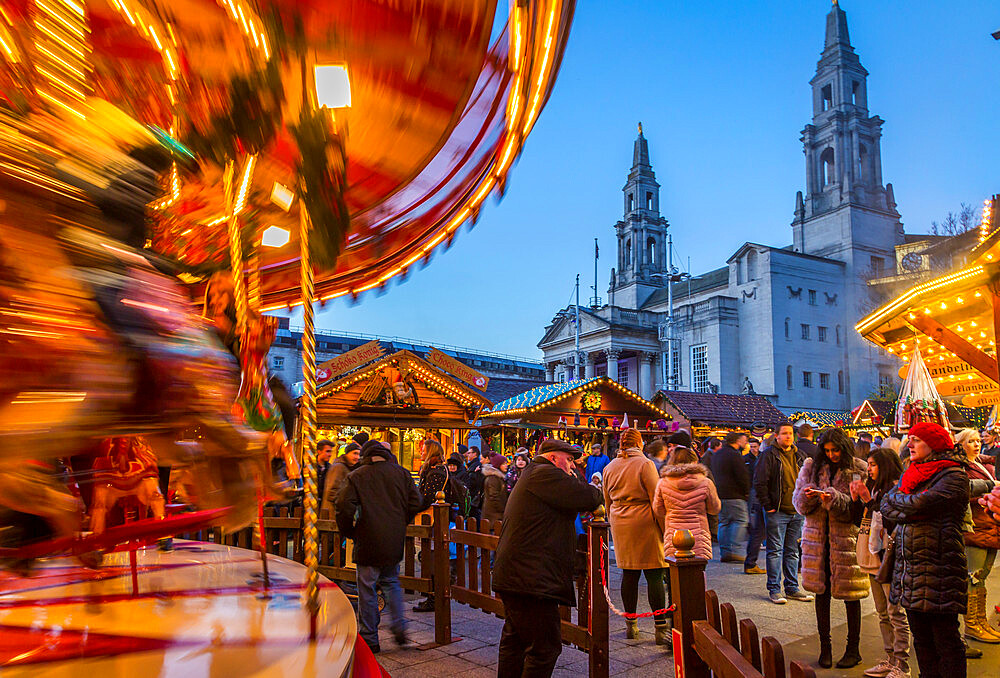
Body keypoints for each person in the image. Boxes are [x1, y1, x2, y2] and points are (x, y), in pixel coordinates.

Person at [492, 439, 602, 678]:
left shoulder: (535, 473)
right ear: (554, 458)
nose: (572, 466)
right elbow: (589, 497)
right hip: (531, 579)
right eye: (570, 460)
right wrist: (591, 484)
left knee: (516, 641)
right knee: (545, 647)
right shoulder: (545, 474)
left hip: (521, 574)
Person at [880, 422, 970, 678]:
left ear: (934, 444)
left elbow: (920, 502)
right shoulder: (911, 472)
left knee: (946, 640)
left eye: (916, 439)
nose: (910, 444)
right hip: (910, 571)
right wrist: (906, 507)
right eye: (910, 439)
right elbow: (886, 506)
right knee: (922, 640)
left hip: (940, 568)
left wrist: (901, 504)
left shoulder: (953, 475)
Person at [335, 439, 423, 653]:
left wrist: (349, 531)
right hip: (393, 539)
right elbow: (416, 502)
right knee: (391, 581)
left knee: (367, 587)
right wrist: (401, 520)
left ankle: (370, 637)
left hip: (367, 538)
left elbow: (343, 505)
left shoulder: (357, 476)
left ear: (366, 456)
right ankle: (399, 627)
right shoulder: (401, 473)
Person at [792, 428, 869, 669]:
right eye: (827, 451)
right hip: (817, 540)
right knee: (821, 593)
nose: (832, 454)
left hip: (845, 540)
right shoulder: (811, 466)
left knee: (851, 597)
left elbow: (859, 508)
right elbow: (798, 503)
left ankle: (853, 649)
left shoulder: (858, 469)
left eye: (836, 450)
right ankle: (825, 648)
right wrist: (809, 497)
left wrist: (834, 499)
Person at [602, 428, 668, 644]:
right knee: (654, 574)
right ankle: (660, 627)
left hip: (620, 520)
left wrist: (613, 522)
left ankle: (631, 625)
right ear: (639, 443)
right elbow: (656, 499)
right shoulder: (645, 464)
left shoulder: (610, 466)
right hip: (644, 520)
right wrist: (664, 527)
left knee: (628, 573)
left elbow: (606, 500)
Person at [851, 447, 909, 678]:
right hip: (874, 555)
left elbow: (890, 521)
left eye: (873, 464)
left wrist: (867, 499)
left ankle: (902, 664)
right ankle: (890, 658)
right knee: (882, 612)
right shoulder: (874, 488)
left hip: (890, 557)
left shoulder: (896, 489)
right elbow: (861, 520)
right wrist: (857, 500)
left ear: (884, 465)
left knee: (895, 612)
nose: (869, 469)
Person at [754, 422, 813, 604]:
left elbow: (807, 480)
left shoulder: (800, 455)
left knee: (793, 551)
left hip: (796, 511)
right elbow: (760, 481)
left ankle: (792, 588)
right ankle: (774, 589)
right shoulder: (768, 455)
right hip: (777, 510)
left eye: (790, 433)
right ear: (777, 436)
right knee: (775, 550)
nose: (788, 436)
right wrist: (768, 505)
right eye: (784, 433)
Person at [954, 428, 1000, 644]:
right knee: (974, 575)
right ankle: (972, 625)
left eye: (977, 440)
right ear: (960, 444)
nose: (976, 444)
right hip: (975, 528)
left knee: (981, 577)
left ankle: (980, 621)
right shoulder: (960, 467)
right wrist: (990, 490)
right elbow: (962, 491)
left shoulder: (984, 464)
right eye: (970, 441)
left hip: (989, 525)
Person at [654, 446, 721, 562]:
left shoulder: (663, 483)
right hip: (698, 537)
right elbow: (714, 509)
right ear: (695, 461)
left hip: (674, 536)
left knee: (674, 574)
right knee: (698, 574)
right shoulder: (706, 483)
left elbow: (658, 510)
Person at [710, 431, 750, 563]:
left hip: (720, 494)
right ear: (738, 440)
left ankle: (725, 551)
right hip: (735, 494)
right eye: (744, 440)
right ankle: (735, 550)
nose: (745, 443)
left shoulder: (717, 454)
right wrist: (746, 491)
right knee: (740, 521)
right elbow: (742, 476)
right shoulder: (735, 455)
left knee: (724, 522)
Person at [744, 437, 767, 575]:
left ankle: (750, 562)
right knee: (758, 531)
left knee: (758, 531)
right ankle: (751, 562)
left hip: (760, 498)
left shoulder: (759, 459)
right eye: (751, 446)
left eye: (755, 446)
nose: (753, 449)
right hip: (761, 498)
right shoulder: (757, 460)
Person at [320, 441, 361, 519]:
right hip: (333, 513)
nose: (357, 457)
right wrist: (347, 502)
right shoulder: (339, 467)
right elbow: (332, 492)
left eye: (359, 454)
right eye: (354, 453)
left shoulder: (347, 468)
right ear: (347, 454)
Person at [482, 453, 509, 524]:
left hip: (496, 514)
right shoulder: (493, 478)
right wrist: (503, 509)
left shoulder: (499, 477)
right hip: (494, 515)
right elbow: (494, 497)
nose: (506, 466)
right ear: (498, 465)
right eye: (504, 464)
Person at [464, 445, 484, 519]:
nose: (467, 455)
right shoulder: (472, 465)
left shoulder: (476, 465)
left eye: (469, 453)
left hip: (473, 497)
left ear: (475, 454)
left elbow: (474, 482)